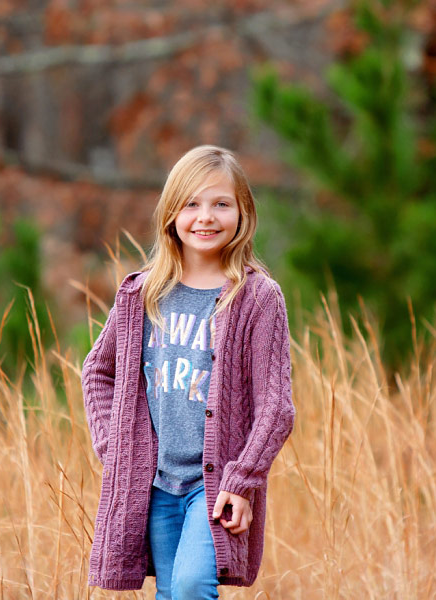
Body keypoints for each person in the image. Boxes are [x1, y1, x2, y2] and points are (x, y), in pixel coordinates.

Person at [81, 144, 296, 598]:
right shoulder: (142, 294)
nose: (206, 217)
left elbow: (276, 408)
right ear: (171, 213)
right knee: (170, 592)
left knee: (193, 586)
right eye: (191, 204)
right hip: (155, 482)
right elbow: (98, 372)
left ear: (243, 213)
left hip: (214, 485)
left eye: (221, 204)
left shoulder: (256, 298)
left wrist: (242, 481)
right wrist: (117, 446)